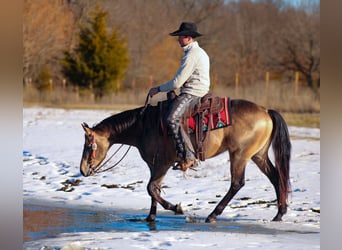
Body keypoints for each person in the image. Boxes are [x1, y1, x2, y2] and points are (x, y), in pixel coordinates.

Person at [148, 22, 210, 171]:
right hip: (196, 90)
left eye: (180, 37)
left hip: (192, 93)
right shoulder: (197, 52)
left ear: (188, 38)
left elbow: (177, 82)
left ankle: (189, 155)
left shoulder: (192, 55)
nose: (178, 39)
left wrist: (158, 89)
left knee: (171, 118)